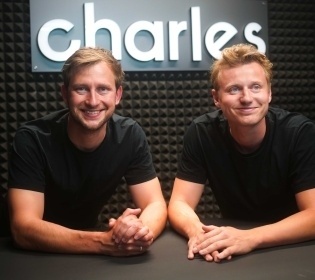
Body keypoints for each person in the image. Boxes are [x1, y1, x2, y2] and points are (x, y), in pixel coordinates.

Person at [7, 47, 167, 256]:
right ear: (64, 93)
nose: (93, 101)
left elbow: (155, 203)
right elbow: (23, 228)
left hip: (87, 246)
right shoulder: (32, 139)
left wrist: (138, 233)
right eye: (81, 89)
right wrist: (104, 242)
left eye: (103, 89)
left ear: (118, 95)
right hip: (33, 255)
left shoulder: (129, 135)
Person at [168, 43, 315, 262]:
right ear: (216, 98)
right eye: (234, 89)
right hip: (232, 247)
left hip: (291, 247)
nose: (247, 98)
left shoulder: (298, 133)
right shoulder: (202, 133)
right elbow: (179, 203)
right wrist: (197, 232)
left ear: (269, 92)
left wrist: (251, 238)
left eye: (256, 87)